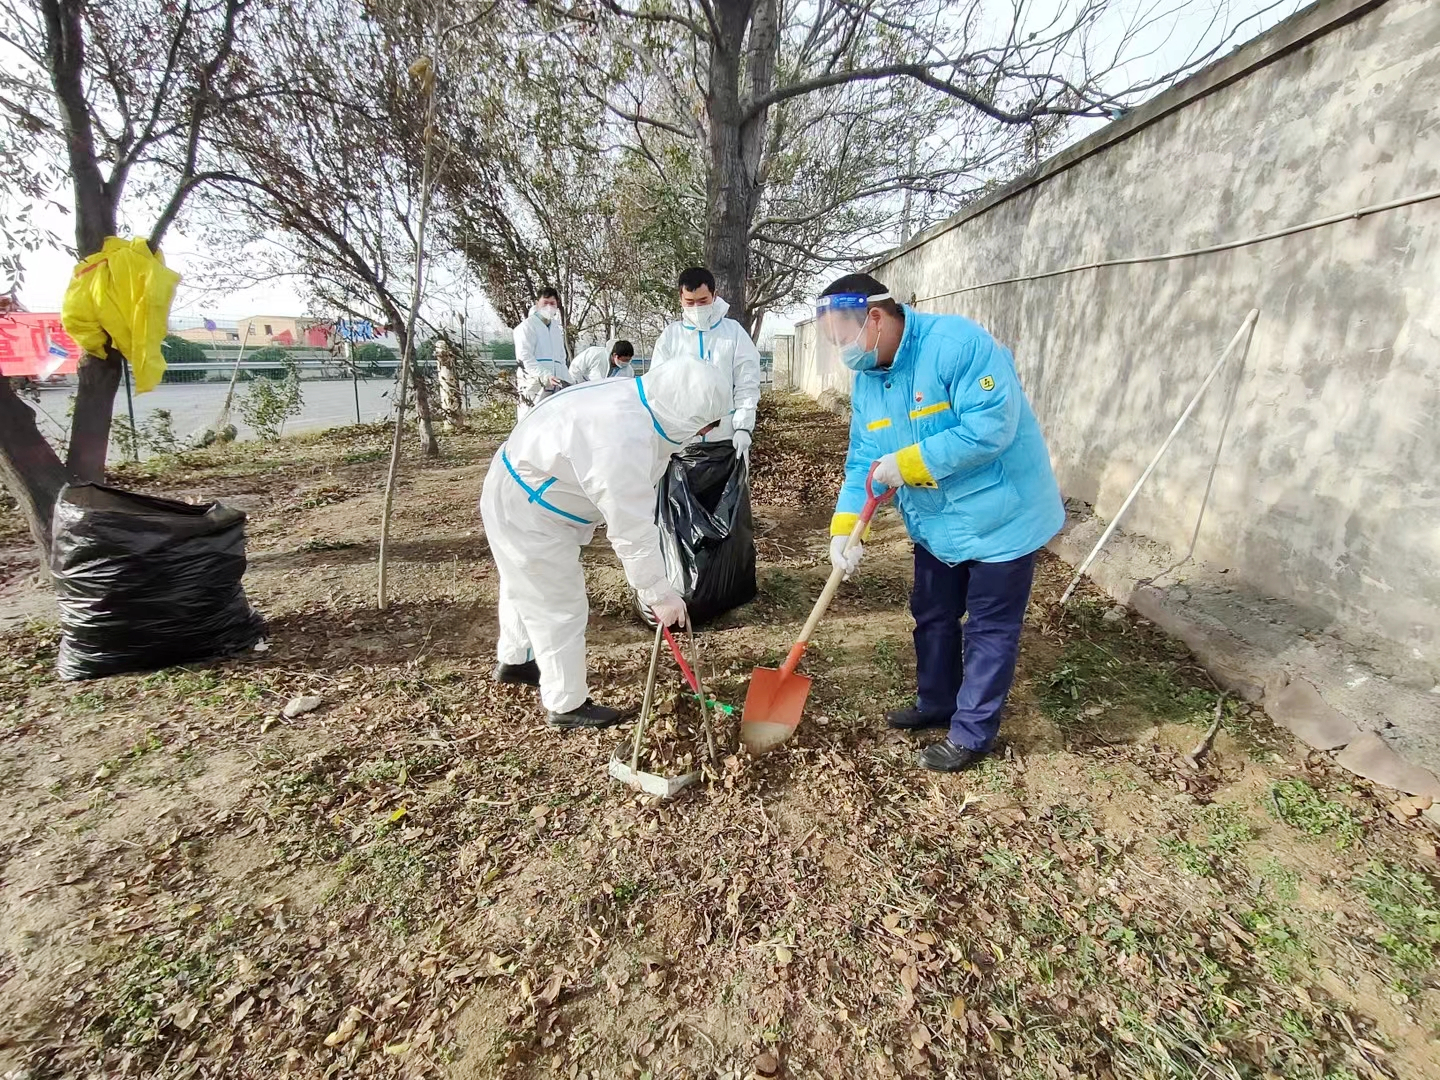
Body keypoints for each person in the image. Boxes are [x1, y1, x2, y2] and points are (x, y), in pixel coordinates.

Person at [817, 273, 1064, 772]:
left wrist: (907, 464)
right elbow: (864, 458)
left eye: (844, 336)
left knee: (989, 629)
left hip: (1002, 518)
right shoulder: (868, 381)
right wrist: (845, 528)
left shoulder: (958, 346)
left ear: (876, 317)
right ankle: (936, 701)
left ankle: (971, 734)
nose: (843, 350)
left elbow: (990, 428)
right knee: (932, 612)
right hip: (936, 524)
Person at [479, 359, 730, 729]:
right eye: (704, 425)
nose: (704, 434)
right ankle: (567, 704)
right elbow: (630, 529)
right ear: (682, 414)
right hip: (528, 509)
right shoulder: (622, 437)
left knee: (525, 582)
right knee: (558, 603)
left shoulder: (638, 404)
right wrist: (657, 592)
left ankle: (516, 660)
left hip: (522, 490)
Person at [648, 267, 760, 459]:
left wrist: (743, 426)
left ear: (714, 296)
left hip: (727, 438)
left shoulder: (733, 333)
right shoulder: (671, 336)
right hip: (683, 441)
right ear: (681, 298)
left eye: (703, 301)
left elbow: (747, 381)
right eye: (690, 302)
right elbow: (657, 388)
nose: (697, 308)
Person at [512, 287, 571, 419]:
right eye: (545, 303)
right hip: (533, 384)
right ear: (537, 303)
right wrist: (545, 375)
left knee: (552, 420)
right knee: (531, 418)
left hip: (554, 385)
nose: (549, 307)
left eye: (552, 303)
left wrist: (568, 381)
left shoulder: (556, 329)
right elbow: (524, 358)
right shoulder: (526, 327)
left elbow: (561, 359)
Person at [570, 338, 636, 382]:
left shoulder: (629, 371)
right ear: (615, 355)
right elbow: (575, 368)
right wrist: (580, 386)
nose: (626, 363)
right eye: (624, 360)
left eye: (628, 360)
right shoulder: (594, 354)